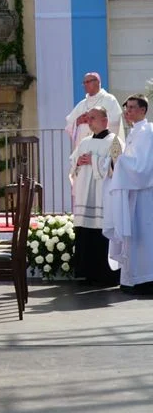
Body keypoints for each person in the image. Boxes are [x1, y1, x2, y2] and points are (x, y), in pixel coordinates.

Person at [103, 94, 153, 295]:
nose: (127, 111)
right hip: (134, 194)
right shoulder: (134, 133)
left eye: (132, 107)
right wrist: (114, 161)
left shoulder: (147, 132)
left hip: (145, 195)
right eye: (126, 107)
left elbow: (143, 167)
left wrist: (120, 161)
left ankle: (146, 278)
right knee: (135, 235)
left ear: (143, 110)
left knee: (145, 234)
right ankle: (133, 278)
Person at [68, 106, 121, 286]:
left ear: (105, 120)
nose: (89, 121)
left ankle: (106, 275)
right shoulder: (84, 142)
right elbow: (73, 164)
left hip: (103, 195)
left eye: (93, 118)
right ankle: (87, 273)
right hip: (85, 194)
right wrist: (79, 161)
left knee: (101, 232)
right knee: (86, 232)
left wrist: (94, 161)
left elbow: (118, 166)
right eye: (88, 118)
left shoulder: (114, 141)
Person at [65, 72, 123, 153]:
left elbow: (115, 121)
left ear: (98, 82)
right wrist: (78, 121)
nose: (85, 85)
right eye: (84, 83)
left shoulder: (109, 99)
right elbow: (69, 124)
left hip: (102, 148)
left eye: (88, 82)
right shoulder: (82, 104)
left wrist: (95, 119)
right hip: (84, 148)